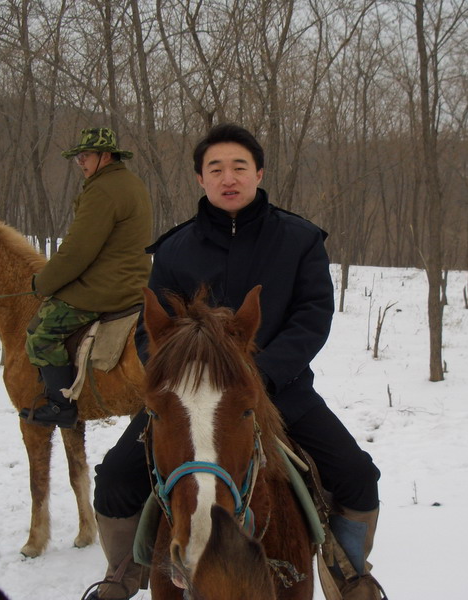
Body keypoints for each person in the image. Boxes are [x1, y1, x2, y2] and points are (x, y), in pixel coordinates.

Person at [88, 124, 383, 600]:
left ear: (259, 173)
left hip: (279, 390)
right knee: (116, 477)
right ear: (200, 179)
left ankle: (347, 570)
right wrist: (175, 376)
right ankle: (124, 571)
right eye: (215, 168)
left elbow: (312, 316)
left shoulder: (300, 240)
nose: (229, 177)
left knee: (357, 475)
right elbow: (152, 330)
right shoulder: (173, 249)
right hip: (187, 398)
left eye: (239, 167)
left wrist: (259, 375)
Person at [21, 127, 152, 429]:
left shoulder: (102, 190)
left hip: (106, 287)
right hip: (135, 281)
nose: (80, 162)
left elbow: (77, 251)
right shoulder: (131, 183)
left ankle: (61, 407)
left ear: (105, 156)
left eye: (86, 156)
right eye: (78, 156)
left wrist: (43, 284)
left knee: (41, 335)